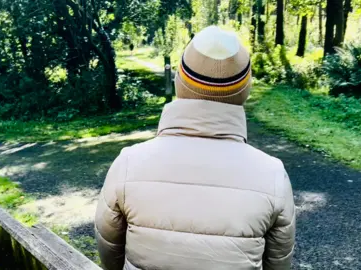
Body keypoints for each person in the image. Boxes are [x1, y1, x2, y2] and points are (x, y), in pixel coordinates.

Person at [94, 26, 296, 270]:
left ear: (180, 82)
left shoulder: (129, 163)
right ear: (245, 91)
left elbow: (110, 252)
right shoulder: (272, 175)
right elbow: (278, 263)